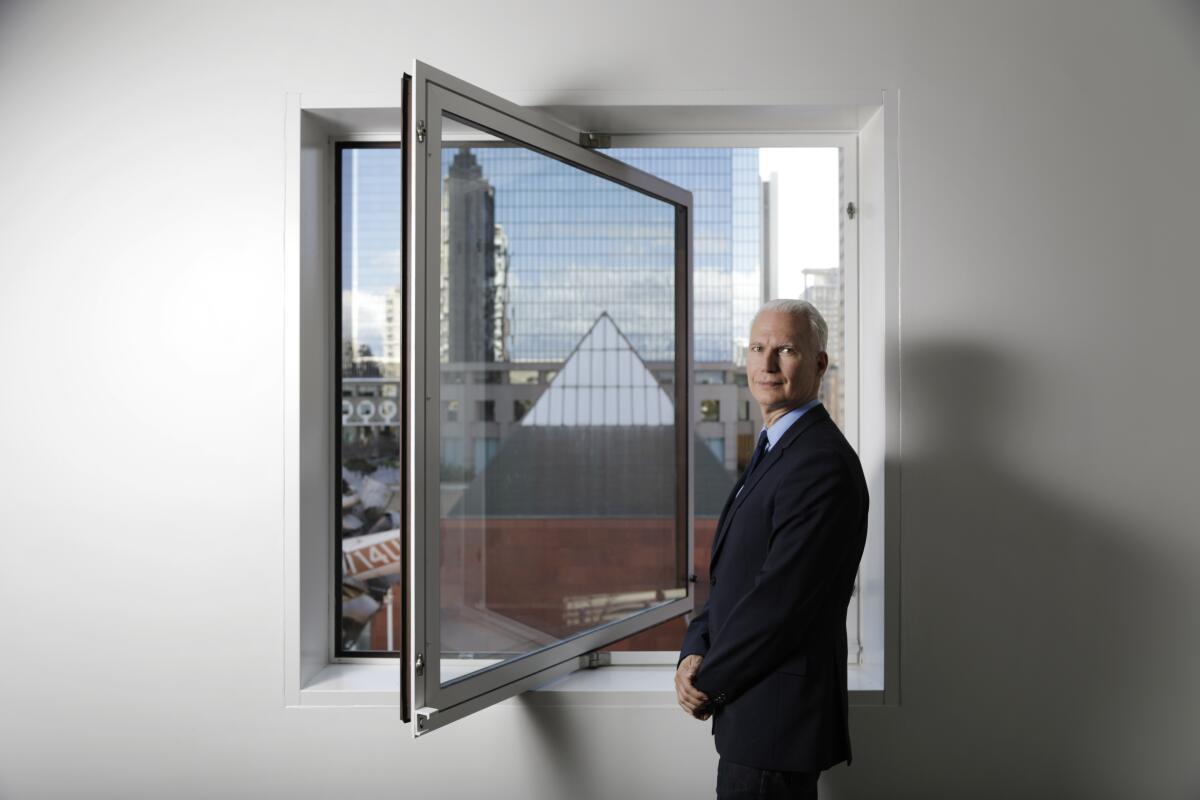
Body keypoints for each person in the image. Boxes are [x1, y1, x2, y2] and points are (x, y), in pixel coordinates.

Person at [676, 299, 869, 800]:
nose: (766, 365)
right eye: (758, 348)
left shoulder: (819, 463)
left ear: (819, 363)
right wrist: (694, 648)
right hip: (753, 716)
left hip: (775, 724)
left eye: (785, 350)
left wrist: (708, 682)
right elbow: (732, 577)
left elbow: (780, 601)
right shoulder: (775, 448)